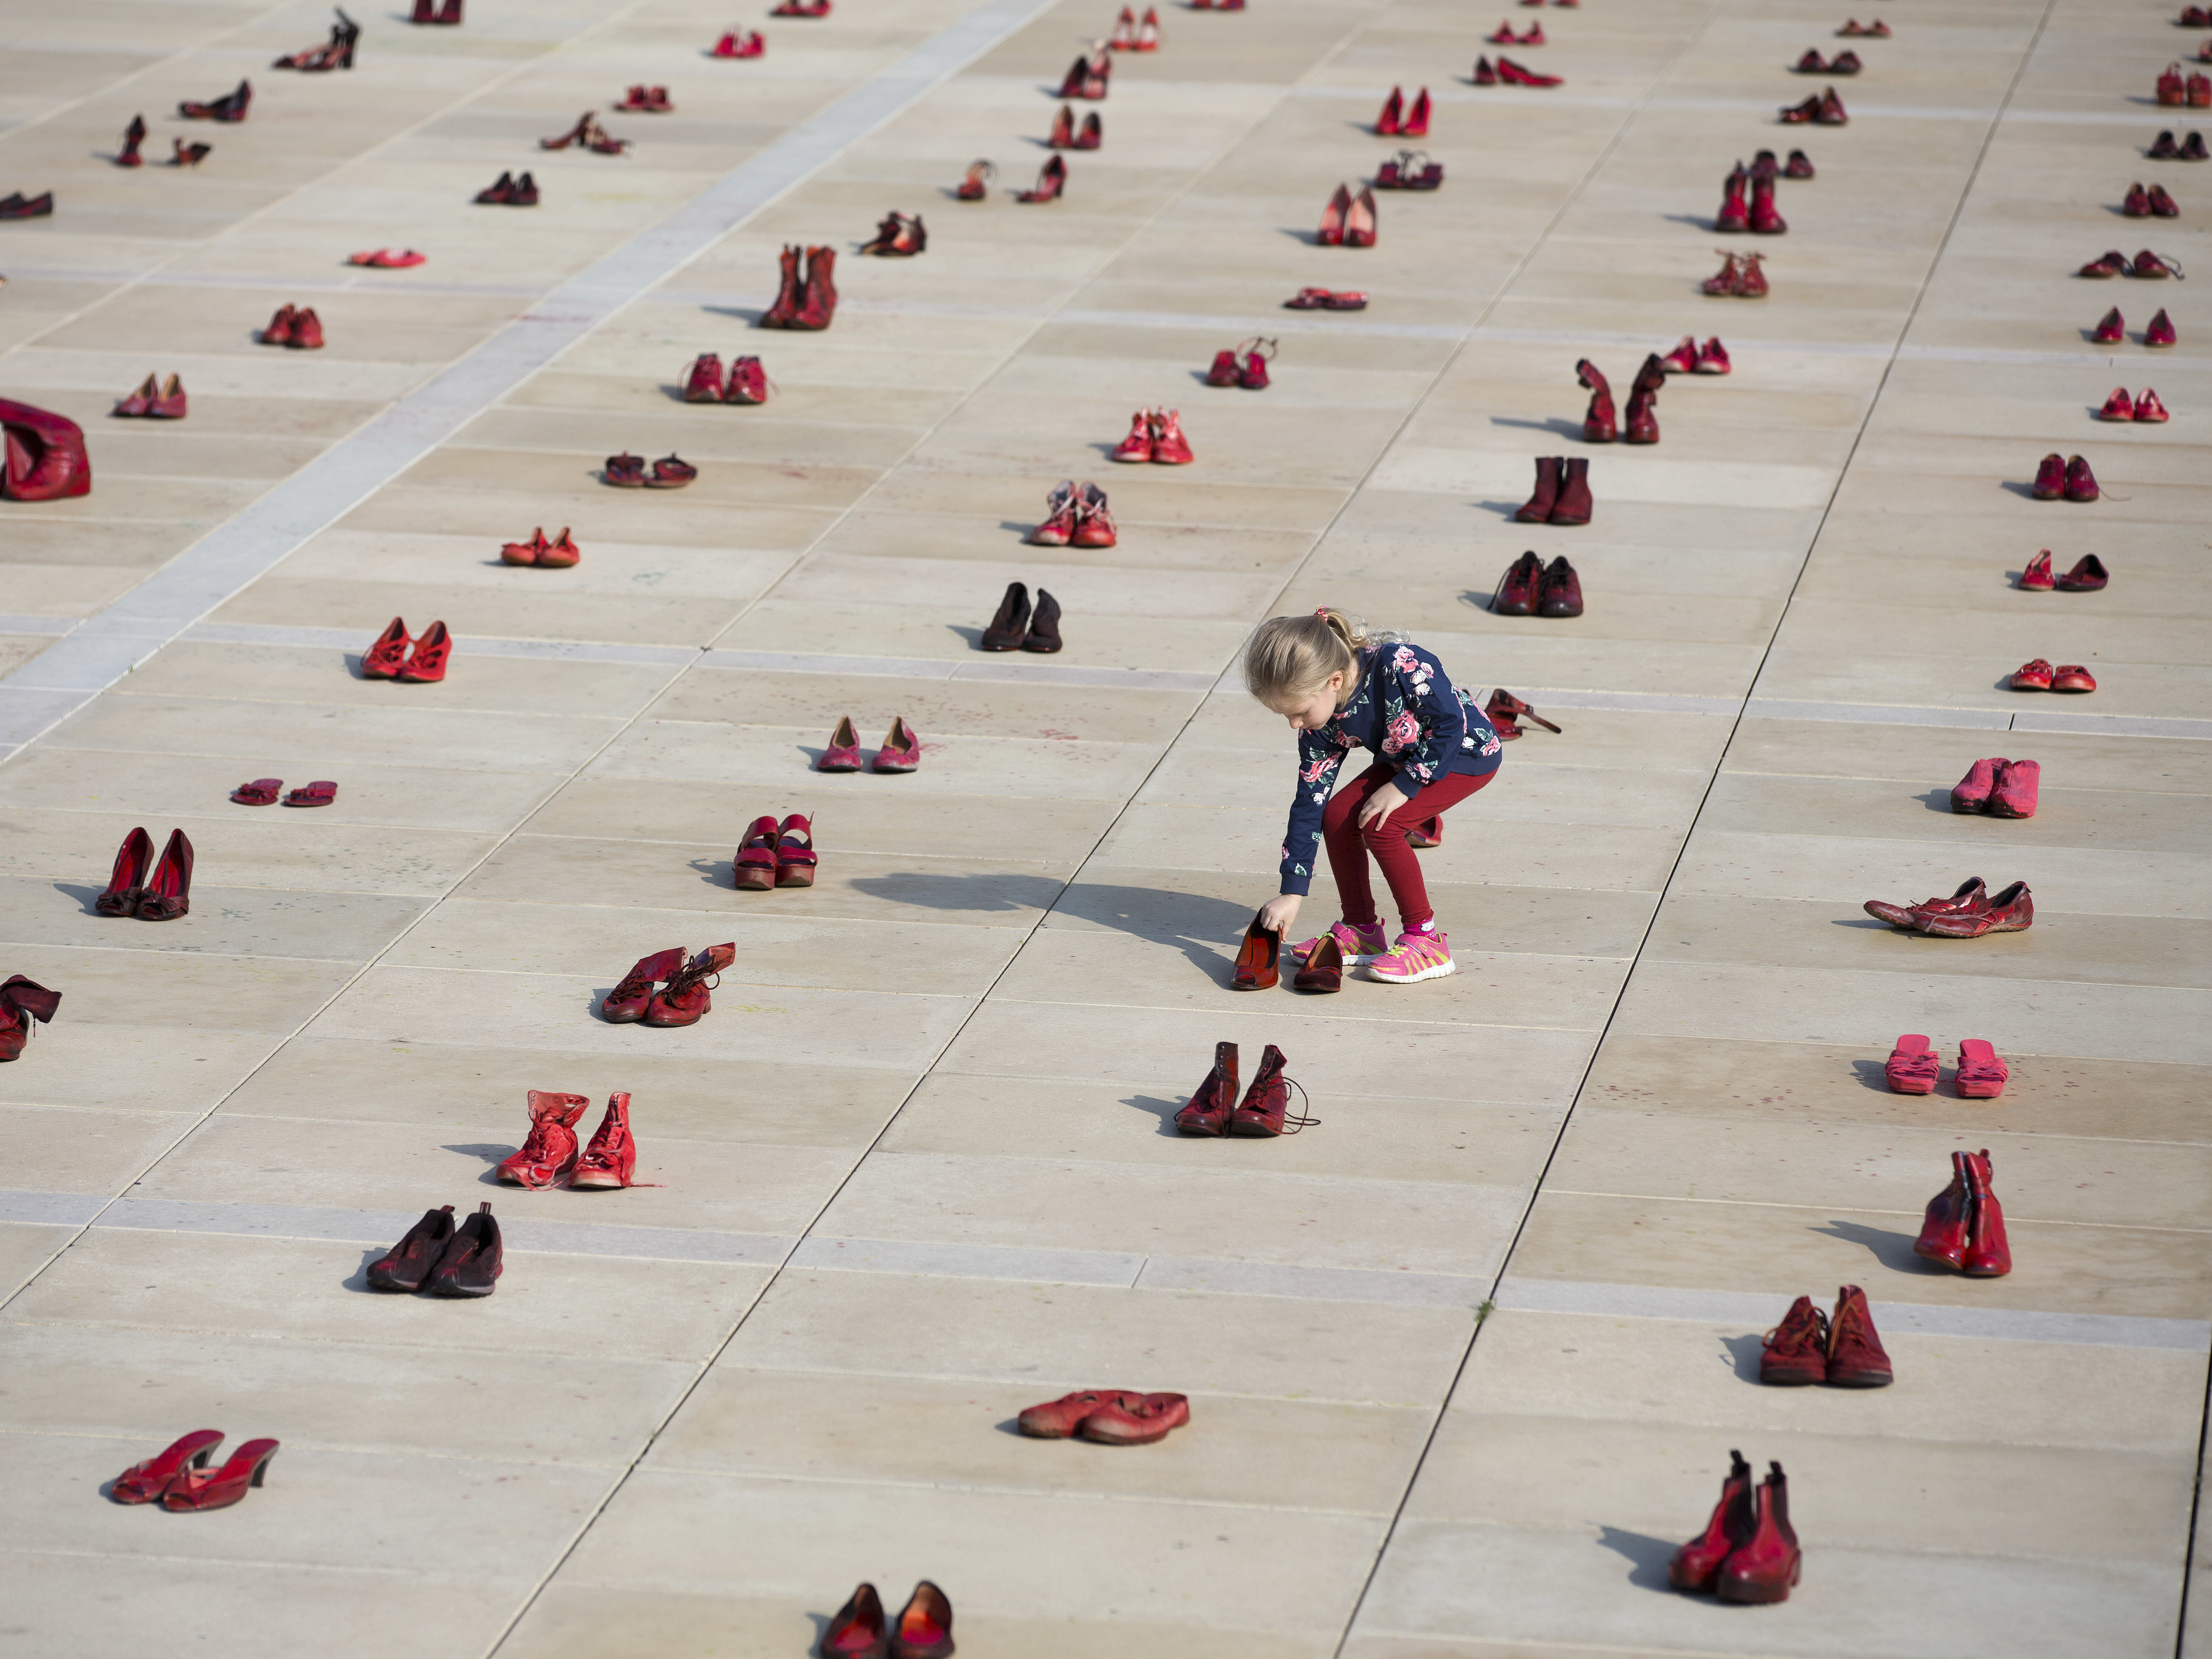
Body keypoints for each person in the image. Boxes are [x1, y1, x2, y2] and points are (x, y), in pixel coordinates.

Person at [1246, 608, 1502, 983]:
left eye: (1299, 712)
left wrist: (1404, 787)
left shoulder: (1399, 665)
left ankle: (1426, 940)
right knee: (1336, 816)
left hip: (1465, 753)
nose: (1295, 724)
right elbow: (1308, 802)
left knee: (1383, 824)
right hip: (1406, 758)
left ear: (1334, 680)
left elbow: (1450, 725)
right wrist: (1292, 891)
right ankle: (1362, 930)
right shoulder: (1322, 721)